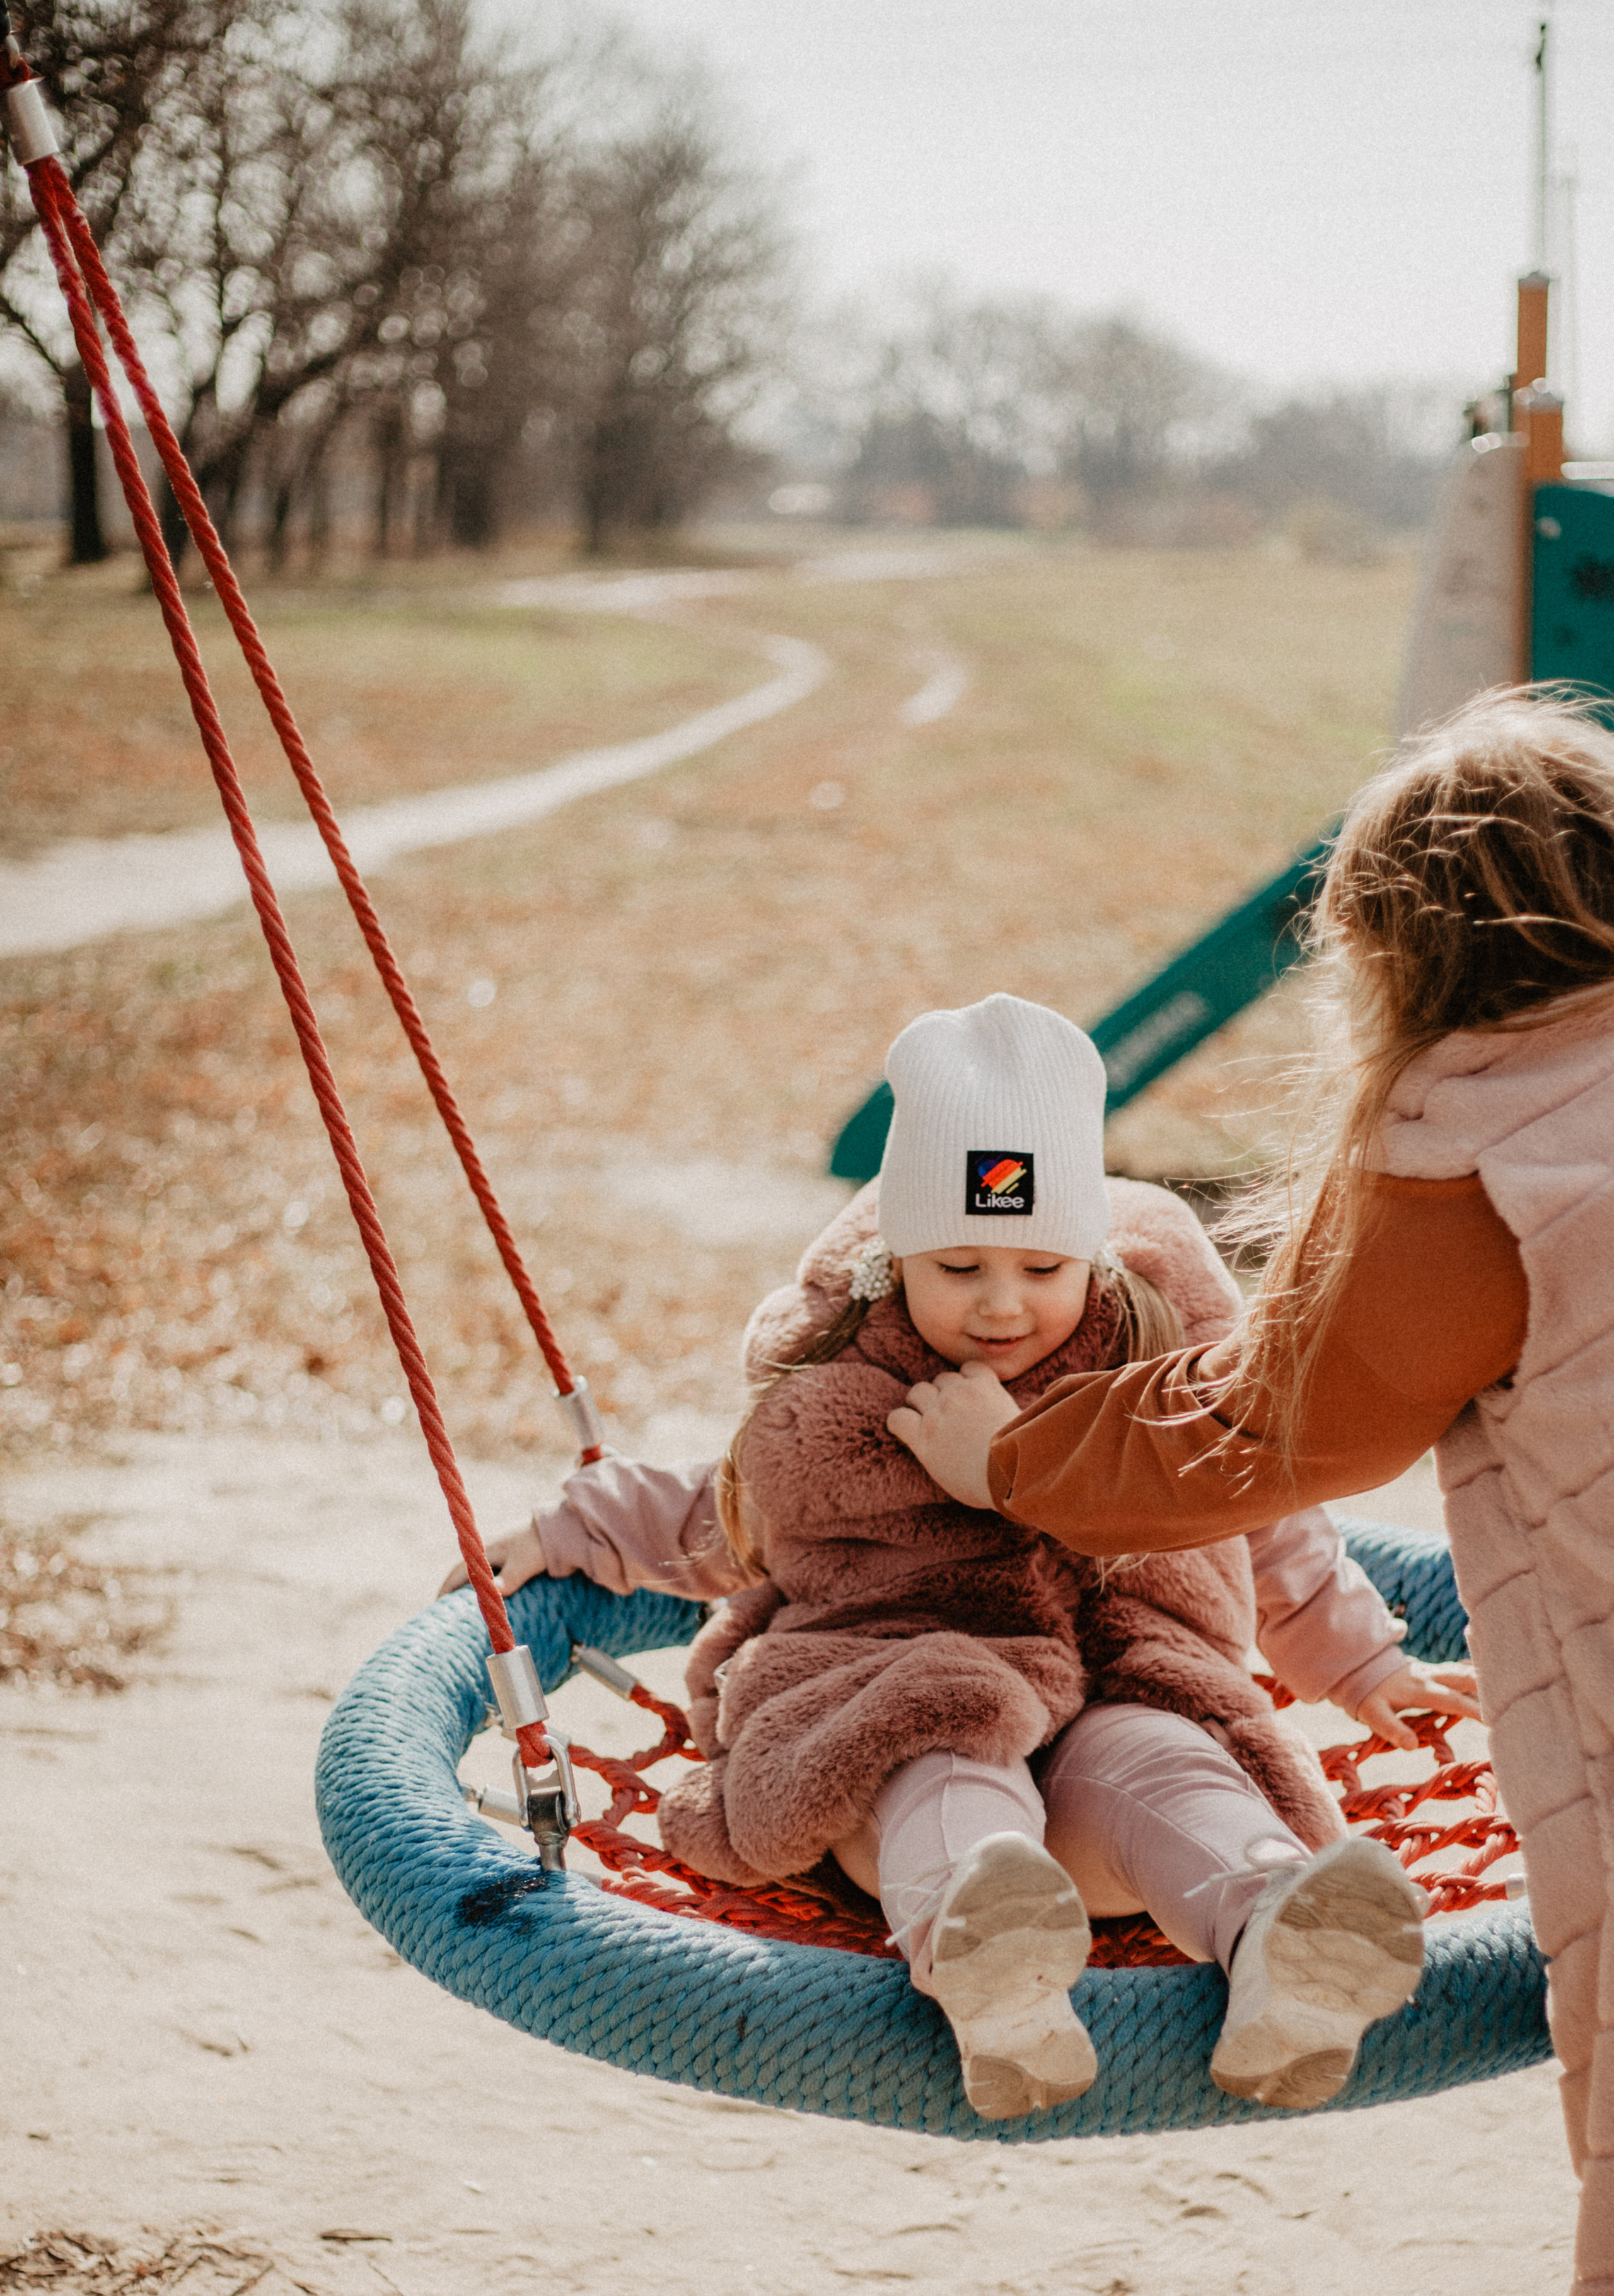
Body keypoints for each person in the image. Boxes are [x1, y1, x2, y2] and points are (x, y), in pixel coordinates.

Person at [446, 992, 1477, 2121]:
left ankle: (1284, 1939)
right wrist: (577, 1525)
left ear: (1090, 1250)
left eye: (1042, 1268)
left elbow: (1259, 1505)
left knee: (1165, 1758)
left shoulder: (1153, 1362)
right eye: (960, 1265)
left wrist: (1361, 1658)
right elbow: (734, 1506)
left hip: (1110, 1738)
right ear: (899, 1260)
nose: (1000, 1305)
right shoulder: (851, 1384)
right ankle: (991, 1966)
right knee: (945, 1737)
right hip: (887, 1721)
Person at [888, 694, 1613, 2283]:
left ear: (1396, 958)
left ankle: (1265, 1915)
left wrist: (1004, 1456)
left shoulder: (1484, 1146)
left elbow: (1261, 1440)